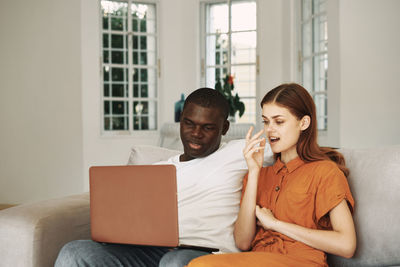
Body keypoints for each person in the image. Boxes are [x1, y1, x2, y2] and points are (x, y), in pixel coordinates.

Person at [54, 87, 273, 267]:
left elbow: (295, 140)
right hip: (151, 252)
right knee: (74, 251)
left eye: (207, 127)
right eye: (189, 124)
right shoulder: (156, 172)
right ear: (181, 121)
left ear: (224, 128)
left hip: (209, 255)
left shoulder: (240, 152)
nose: (196, 134)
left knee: (174, 261)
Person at [187, 83, 356, 267]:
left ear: (304, 123)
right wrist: (253, 172)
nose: (270, 129)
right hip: (258, 259)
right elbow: (243, 242)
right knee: (196, 263)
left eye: (279, 121)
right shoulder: (259, 174)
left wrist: (275, 224)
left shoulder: (325, 172)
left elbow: (346, 245)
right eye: (266, 121)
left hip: (301, 261)